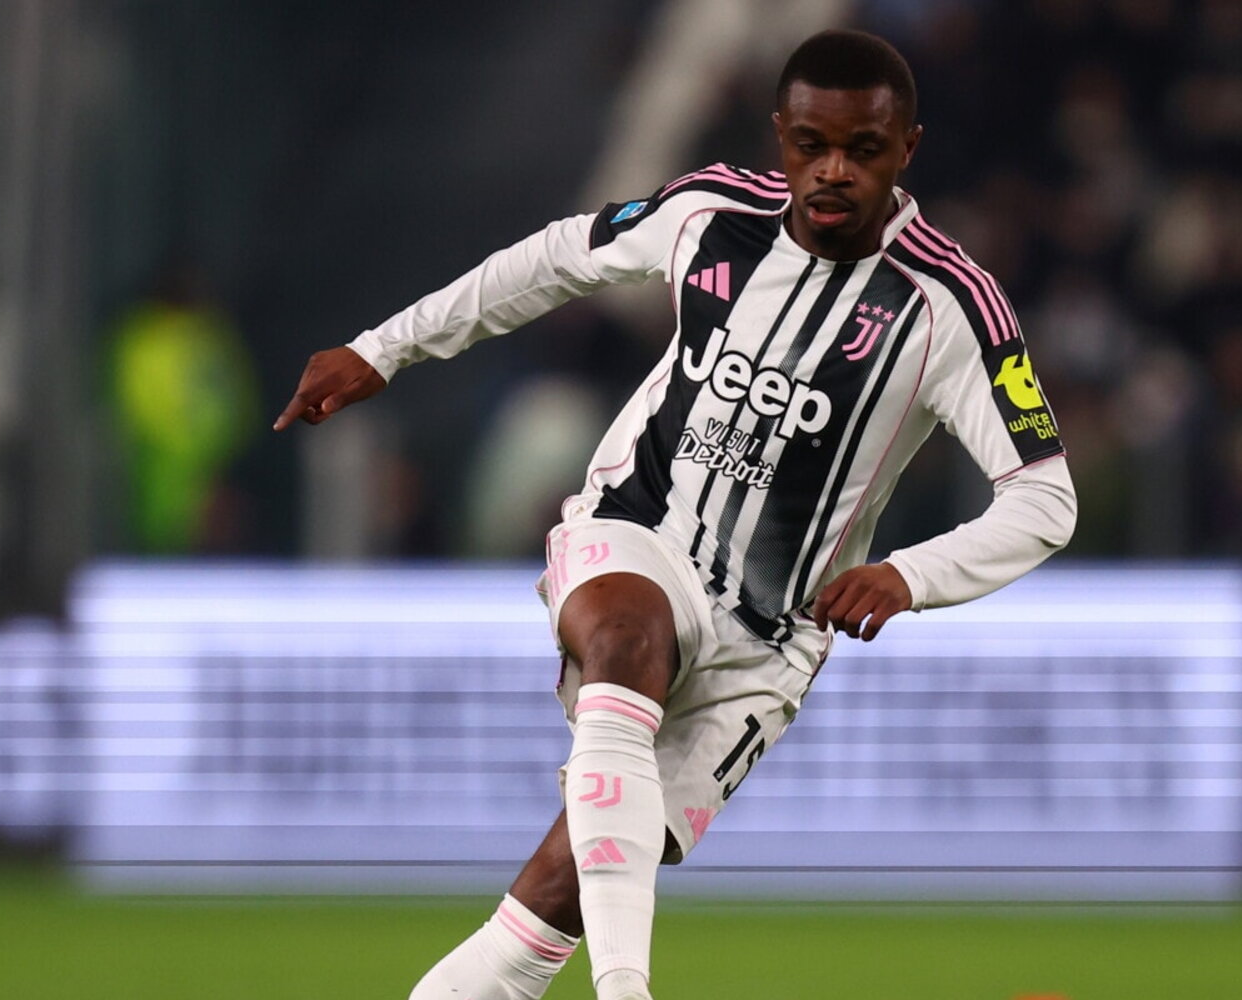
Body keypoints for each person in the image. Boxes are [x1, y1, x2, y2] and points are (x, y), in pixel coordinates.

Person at [273, 29, 1076, 1000]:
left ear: (906, 148)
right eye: (810, 145)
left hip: (768, 638)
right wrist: (384, 348)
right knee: (625, 635)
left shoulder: (949, 307)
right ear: (780, 136)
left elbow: (1044, 498)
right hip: (637, 531)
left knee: (548, 905)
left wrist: (910, 574)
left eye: (861, 150)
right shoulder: (710, 213)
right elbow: (553, 259)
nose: (832, 170)